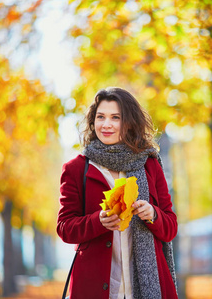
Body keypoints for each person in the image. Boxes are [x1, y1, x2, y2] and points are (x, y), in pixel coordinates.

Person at [57, 87, 178, 299]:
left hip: (145, 288)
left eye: (116, 117)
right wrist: (98, 221)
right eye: (101, 117)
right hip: (94, 287)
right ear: (93, 121)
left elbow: (170, 227)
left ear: (129, 122)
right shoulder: (76, 168)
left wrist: (153, 214)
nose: (106, 124)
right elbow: (65, 227)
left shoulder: (150, 165)